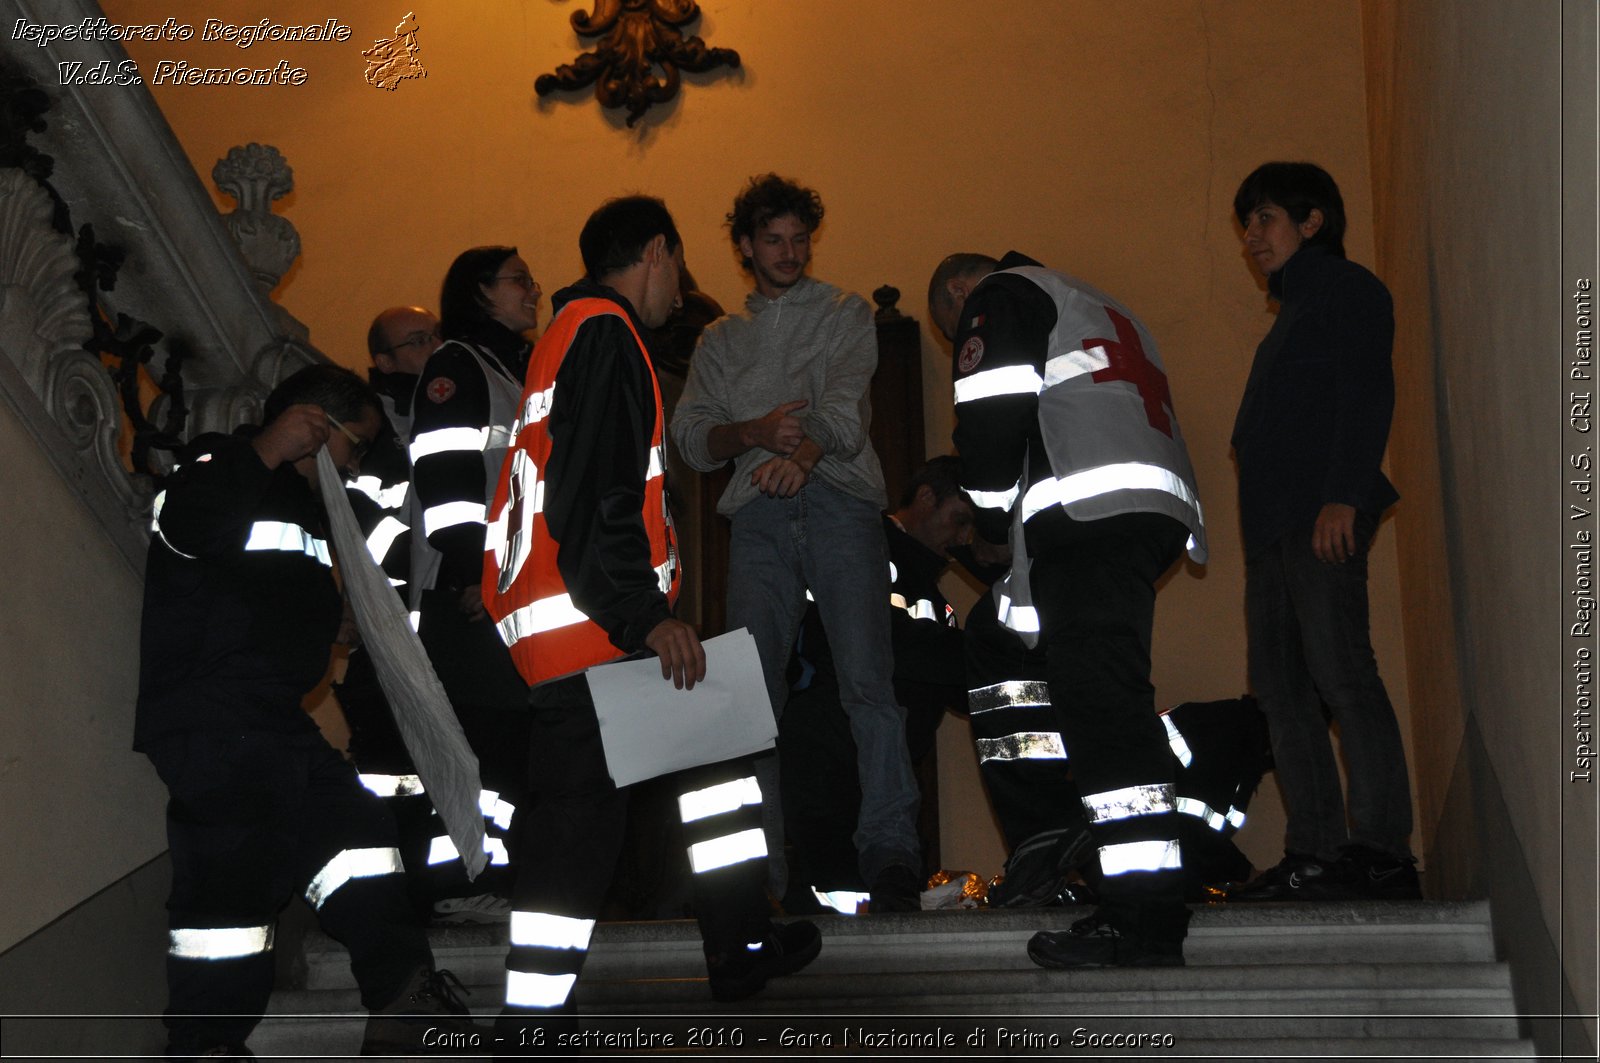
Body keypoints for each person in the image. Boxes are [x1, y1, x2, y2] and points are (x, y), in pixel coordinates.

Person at [482, 195, 820, 1048]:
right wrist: (644, 616)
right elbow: (595, 493)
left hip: (576, 632)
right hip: (595, 634)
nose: (681, 292)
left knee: (714, 754)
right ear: (659, 252)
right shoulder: (605, 332)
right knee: (575, 837)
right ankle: (531, 1022)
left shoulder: (568, 335)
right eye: (681, 268)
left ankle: (741, 942)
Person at [134, 365, 474, 1058]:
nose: (353, 464)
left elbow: (260, 589)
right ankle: (206, 1042)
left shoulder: (298, 501)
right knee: (229, 889)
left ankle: (404, 998)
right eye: (353, 444)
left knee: (360, 833)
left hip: (270, 719)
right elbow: (185, 526)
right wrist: (266, 446)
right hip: (216, 719)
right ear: (316, 425)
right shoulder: (219, 461)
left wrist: (331, 622)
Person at [928, 250, 1207, 967]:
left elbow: (989, 420)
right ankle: (1052, 833)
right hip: (1128, 517)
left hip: (1088, 517)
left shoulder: (1001, 294)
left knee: (1104, 709)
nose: (961, 344)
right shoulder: (1092, 299)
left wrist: (986, 522)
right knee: (998, 644)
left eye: (953, 328)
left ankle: (1144, 917)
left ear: (963, 291)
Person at [671, 174, 922, 911]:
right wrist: (752, 434)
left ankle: (892, 857)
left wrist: (802, 452)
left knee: (869, 683)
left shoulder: (845, 312)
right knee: (751, 696)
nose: (789, 252)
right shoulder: (721, 339)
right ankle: (764, 877)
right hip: (757, 521)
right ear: (746, 248)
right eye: (773, 240)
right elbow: (692, 436)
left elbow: (846, 401)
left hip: (841, 504)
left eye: (799, 239)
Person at [1226, 162, 1418, 901]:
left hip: (1320, 516)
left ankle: (1380, 850)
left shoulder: (1347, 289)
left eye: (1265, 218)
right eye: (1246, 224)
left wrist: (1343, 496)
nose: (1251, 237)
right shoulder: (1287, 323)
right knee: (1278, 686)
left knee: (1343, 672)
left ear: (1313, 223)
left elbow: (1368, 388)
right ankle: (1315, 848)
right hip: (1272, 533)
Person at [781, 456, 974, 911]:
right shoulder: (862, 550)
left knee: (878, 907)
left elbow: (958, 687)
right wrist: (974, 653)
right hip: (833, 764)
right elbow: (878, 642)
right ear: (926, 497)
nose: (964, 538)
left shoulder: (933, 595)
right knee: (838, 907)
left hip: (887, 778)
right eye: (960, 520)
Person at [407, 250, 540, 907]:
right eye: (518, 278)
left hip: (510, 589)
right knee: (479, 743)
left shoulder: (516, 367)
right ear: (480, 292)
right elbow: (446, 474)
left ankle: (493, 878)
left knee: (509, 744)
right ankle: (461, 884)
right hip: (470, 591)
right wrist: (470, 570)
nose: (533, 288)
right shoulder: (457, 365)